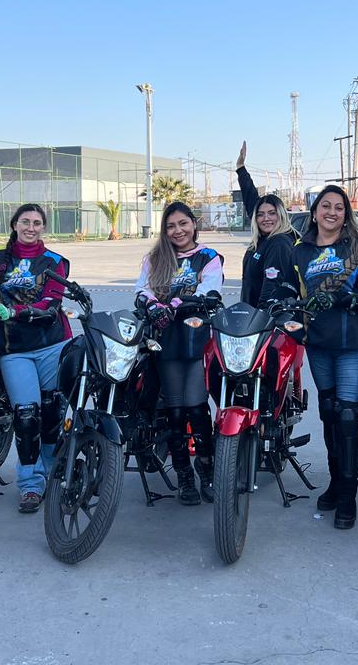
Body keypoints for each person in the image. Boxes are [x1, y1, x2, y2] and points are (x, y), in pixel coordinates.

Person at [285, 185, 358, 530]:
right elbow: (286, 287)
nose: (332, 212)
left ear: (346, 214)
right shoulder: (300, 250)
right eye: (326, 206)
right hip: (318, 343)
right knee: (328, 412)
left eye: (339, 207)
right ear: (314, 212)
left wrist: (342, 298)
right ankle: (335, 482)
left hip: (351, 342)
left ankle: (349, 494)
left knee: (347, 415)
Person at [0, 204, 72, 513]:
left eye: (37, 223)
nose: (31, 227)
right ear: (14, 224)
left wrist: (14, 311)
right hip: (14, 349)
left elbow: (50, 304)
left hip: (52, 343)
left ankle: (54, 471)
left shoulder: (55, 262)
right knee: (27, 417)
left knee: (52, 413)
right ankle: (30, 484)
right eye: (25, 221)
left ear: (43, 228)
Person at [134, 201, 223, 506]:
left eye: (183, 223)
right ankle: (184, 475)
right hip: (165, 340)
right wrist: (152, 306)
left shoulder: (209, 257)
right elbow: (142, 289)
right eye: (171, 226)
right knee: (174, 411)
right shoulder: (155, 257)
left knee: (196, 408)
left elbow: (210, 291)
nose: (178, 231)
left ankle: (207, 470)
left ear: (193, 224)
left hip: (196, 338)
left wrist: (172, 305)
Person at [235, 140, 297, 307]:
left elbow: (273, 285)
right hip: (252, 316)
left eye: (272, 213)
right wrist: (241, 170)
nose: (266, 218)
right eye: (261, 215)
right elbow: (251, 200)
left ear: (281, 215)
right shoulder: (264, 239)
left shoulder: (279, 243)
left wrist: (260, 316)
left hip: (264, 321)